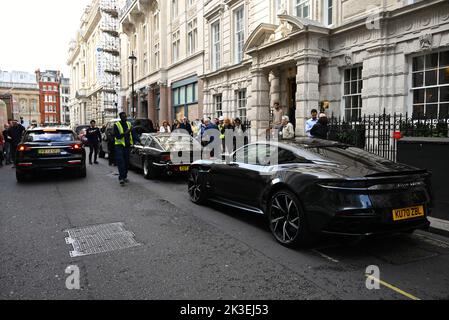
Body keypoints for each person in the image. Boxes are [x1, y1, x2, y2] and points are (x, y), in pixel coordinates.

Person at [114, 112, 136, 186]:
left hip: (127, 146)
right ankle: (121, 178)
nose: (125, 118)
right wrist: (125, 133)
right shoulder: (116, 125)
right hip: (119, 146)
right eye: (123, 116)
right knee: (121, 162)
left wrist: (139, 141)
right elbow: (117, 136)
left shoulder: (129, 124)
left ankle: (124, 176)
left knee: (127, 163)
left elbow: (133, 134)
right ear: (121, 117)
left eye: (125, 116)